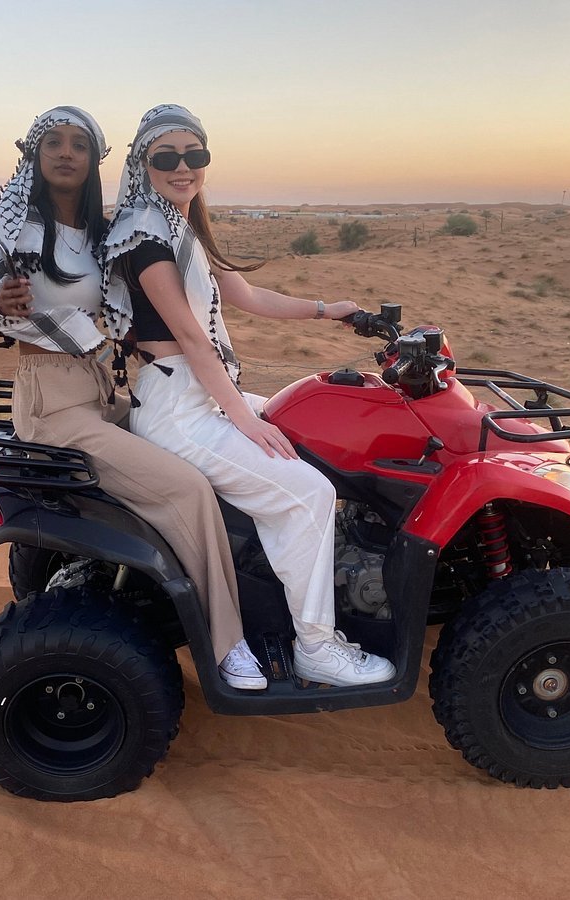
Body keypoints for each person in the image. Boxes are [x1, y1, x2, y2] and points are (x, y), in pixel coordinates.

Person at [0, 105, 266, 690]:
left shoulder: (102, 229)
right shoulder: (15, 224)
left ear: (95, 158)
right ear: (35, 154)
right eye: (54, 142)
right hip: (54, 405)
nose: (66, 152)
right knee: (187, 488)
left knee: (207, 447)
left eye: (79, 143)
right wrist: (0, 310)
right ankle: (227, 647)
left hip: (104, 391)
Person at [100, 104, 394, 687]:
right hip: (180, 410)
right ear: (143, 162)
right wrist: (243, 416)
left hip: (199, 396)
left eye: (195, 155)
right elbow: (188, 334)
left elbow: (247, 293)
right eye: (167, 157)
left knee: (306, 426)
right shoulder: (144, 236)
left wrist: (326, 310)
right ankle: (317, 647)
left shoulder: (175, 226)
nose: (184, 168)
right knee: (309, 492)